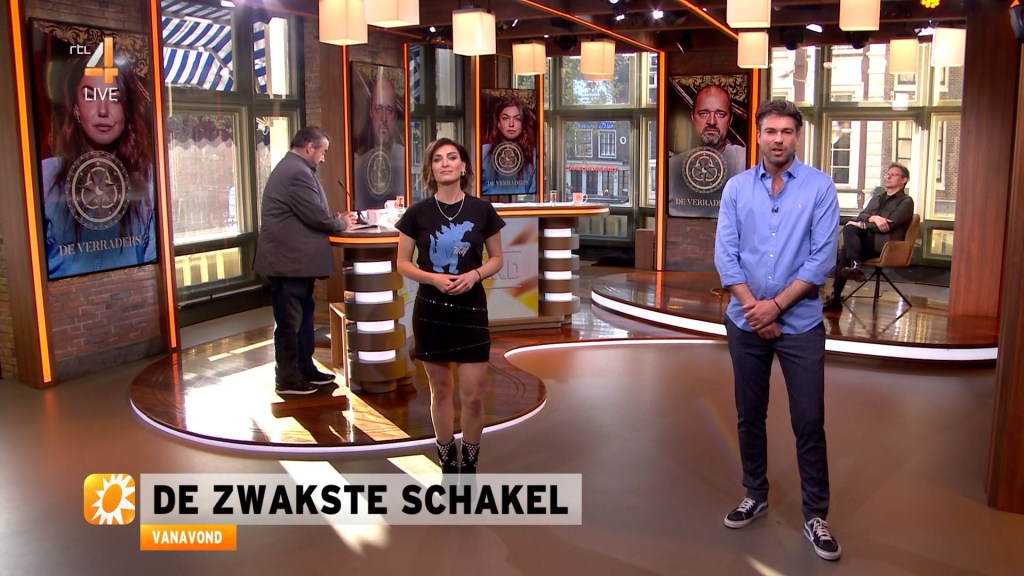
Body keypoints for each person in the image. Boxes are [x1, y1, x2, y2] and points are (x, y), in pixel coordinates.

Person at [714, 100, 842, 561]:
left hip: (800, 325)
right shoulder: (736, 188)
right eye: (770, 131)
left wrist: (776, 308)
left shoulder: (820, 187)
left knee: (808, 420)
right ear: (758, 135)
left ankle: (815, 515)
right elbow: (725, 254)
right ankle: (755, 492)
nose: (778, 139)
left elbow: (822, 259)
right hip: (745, 322)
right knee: (749, 414)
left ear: (797, 136)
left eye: (787, 131)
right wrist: (755, 310)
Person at [395, 138, 505, 475]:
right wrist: (433, 278)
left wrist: (474, 274)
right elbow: (402, 263)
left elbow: (497, 259)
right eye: (438, 159)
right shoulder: (417, 213)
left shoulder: (482, 211)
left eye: (452, 157)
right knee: (440, 391)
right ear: (430, 169)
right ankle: (447, 461)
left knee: (473, 396)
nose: (445, 163)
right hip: (431, 310)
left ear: (463, 167)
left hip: (471, 310)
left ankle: (469, 464)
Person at [253, 126, 357, 395]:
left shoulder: (295, 168)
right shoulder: (296, 172)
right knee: (290, 323)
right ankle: (288, 380)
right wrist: (340, 223)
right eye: (323, 151)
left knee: (303, 319)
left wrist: (334, 219)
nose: (323, 158)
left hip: (296, 264)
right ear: (310, 148)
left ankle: (304, 369)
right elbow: (316, 215)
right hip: (288, 264)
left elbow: (309, 212)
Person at [42, 54, 156, 279]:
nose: (103, 110)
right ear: (75, 108)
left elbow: (152, 268)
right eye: (90, 95)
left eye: (114, 97)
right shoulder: (45, 177)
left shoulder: (148, 178)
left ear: (126, 109)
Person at [822, 163, 915, 310]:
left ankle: (838, 293)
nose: (888, 177)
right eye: (887, 174)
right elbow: (862, 215)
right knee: (849, 233)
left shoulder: (906, 201)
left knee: (848, 240)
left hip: (885, 245)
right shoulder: (878, 197)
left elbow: (889, 226)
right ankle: (854, 266)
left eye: (894, 175)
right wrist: (873, 218)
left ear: (904, 180)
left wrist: (864, 225)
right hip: (867, 240)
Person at [668, 83, 747, 218]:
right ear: (693, 117)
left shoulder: (747, 161)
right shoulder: (672, 167)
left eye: (720, 114)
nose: (711, 121)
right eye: (703, 113)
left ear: (730, 119)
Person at [353, 72, 406, 211]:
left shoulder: (405, 159)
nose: (384, 118)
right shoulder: (358, 166)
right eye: (378, 109)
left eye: (389, 110)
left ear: (395, 116)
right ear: (370, 112)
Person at [480, 96, 538, 196]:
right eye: (505, 118)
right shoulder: (483, 152)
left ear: (523, 124)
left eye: (517, 119)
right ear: (498, 123)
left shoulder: (533, 154)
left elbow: (533, 195)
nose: (511, 124)